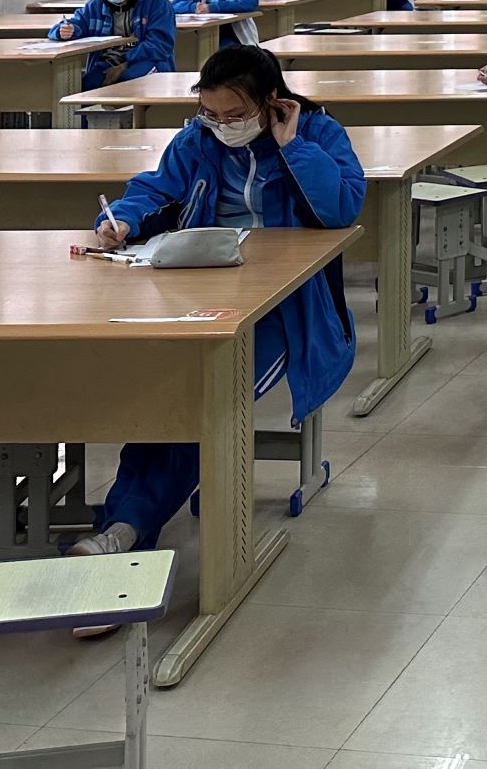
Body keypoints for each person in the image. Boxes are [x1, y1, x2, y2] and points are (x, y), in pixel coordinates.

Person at [71, 46, 364, 569]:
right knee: (168, 392)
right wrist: (122, 220)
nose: (223, 125)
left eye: (235, 114)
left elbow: (341, 209)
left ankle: (126, 526)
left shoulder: (318, 133)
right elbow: (154, 189)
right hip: (200, 287)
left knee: (205, 396)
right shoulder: (198, 139)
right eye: (211, 113)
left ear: (272, 101)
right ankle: (125, 521)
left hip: (285, 302)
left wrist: (292, 145)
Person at [52, 0, 178, 90]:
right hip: (108, 62)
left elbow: (160, 45)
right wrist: (64, 30)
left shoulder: (156, 3)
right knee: (86, 85)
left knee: (128, 82)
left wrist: (125, 63)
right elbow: (74, 24)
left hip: (146, 60)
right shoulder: (96, 5)